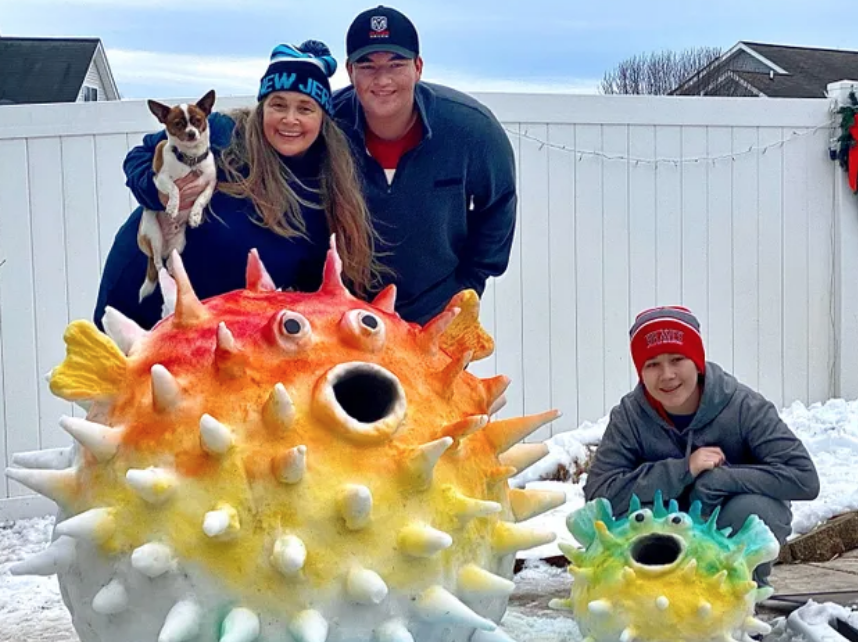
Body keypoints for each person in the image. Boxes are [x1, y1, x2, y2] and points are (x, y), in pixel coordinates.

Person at [96, 41, 383, 330]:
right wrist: (156, 192)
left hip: (225, 332)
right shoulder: (223, 133)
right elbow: (141, 155)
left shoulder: (329, 188)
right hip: (141, 303)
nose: (289, 119)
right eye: (278, 104)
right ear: (262, 108)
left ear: (323, 117)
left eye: (305, 108)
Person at [583, 305, 820, 586]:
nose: (667, 374)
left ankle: (740, 593)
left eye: (677, 359)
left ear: (696, 360)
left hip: (724, 528)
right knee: (633, 514)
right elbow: (599, 493)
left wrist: (719, 480)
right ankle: (649, 600)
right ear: (640, 372)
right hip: (662, 539)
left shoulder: (744, 406)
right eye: (652, 364)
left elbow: (804, 478)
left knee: (756, 508)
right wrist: (684, 469)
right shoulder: (630, 416)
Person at [331, 5, 518, 324]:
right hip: (343, 319)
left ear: (418, 67)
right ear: (350, 71)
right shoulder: (326, 125)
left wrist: (469, 283)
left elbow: (498, 203)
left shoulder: (470, 129)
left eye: (396, 64)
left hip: (435, 316)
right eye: (368, 66)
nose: (383, 79)